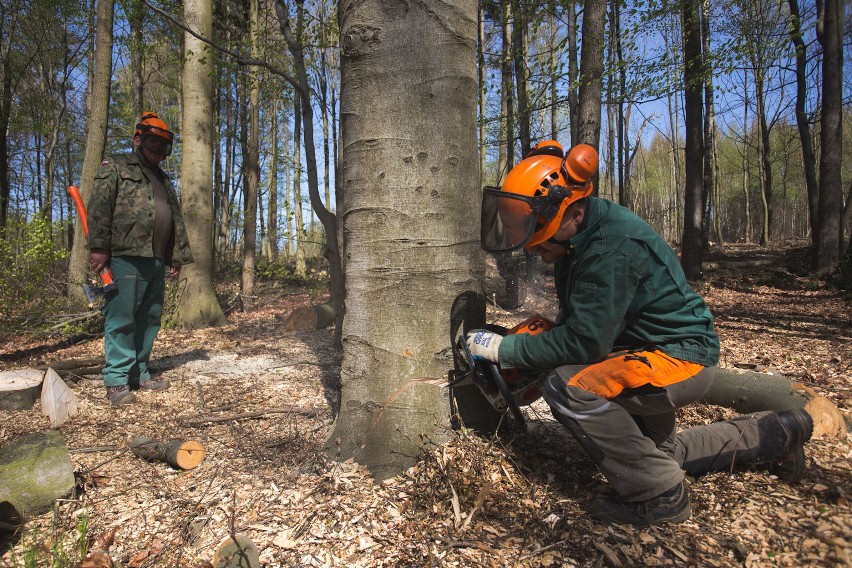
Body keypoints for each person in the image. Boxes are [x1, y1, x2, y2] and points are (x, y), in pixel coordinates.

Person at [467, 140, 813, 527]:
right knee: (655, 457)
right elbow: (585, 323)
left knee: (569, 388)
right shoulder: (581, 240)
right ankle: (774, 434)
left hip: (676, 358)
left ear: (571, 214)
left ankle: (660, 497)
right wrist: (536, 345)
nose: (537, 252)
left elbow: (586, 342)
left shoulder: (608, 250)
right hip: (642, 350)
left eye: (541, 241)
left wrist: (507, 349)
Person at [87, 112, 193, 406]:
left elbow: (174, 220)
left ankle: (139, 372)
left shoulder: (162, 178)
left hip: (156, 258)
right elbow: (99, 206)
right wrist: (98, 247)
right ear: (137, 139)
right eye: (152, 143)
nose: (157, 152)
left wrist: (176, 256)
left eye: (163, 147)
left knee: (149, 318)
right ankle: (117, 380)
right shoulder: (117, 166)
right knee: (122, 318)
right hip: (125, 256)